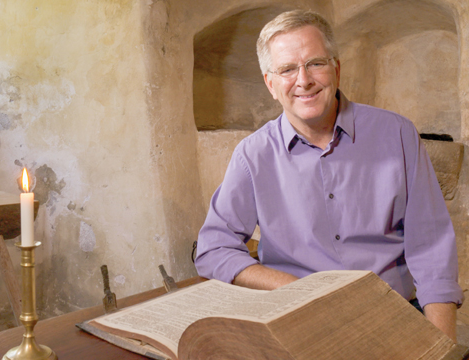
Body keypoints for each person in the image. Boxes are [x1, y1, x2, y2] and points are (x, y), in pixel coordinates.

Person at [194, 9, 463, 342]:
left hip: (393, 315)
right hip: (299, 319)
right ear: (270, 83)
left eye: (315, 63)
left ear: (336, 68)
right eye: (287, 69)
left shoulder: (397, 134)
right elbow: (212, 249)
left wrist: (442, 348)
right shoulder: (253, 155)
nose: (303, 80)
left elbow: (431, 249)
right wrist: (297, 289)